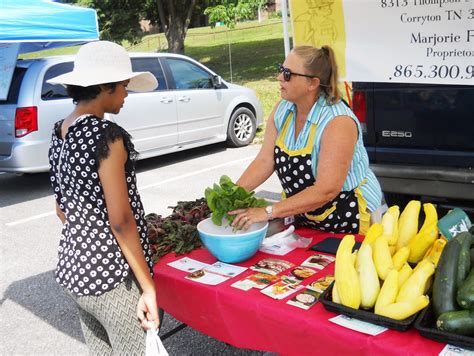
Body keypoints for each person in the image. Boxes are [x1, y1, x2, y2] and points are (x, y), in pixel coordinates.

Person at [47, 40, 160, 354]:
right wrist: (148, 287)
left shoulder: (61, 131)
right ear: (105, 87)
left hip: (75, 267)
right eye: (124, 86)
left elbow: (61, 209)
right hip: (110, 276)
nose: (126, 94)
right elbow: (121, 222)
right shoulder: (106, 136)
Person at [230, 45, 382, 235]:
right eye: (280, 69)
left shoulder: (337, 122)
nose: (279, 78)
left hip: (349, 215)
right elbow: (265, 160)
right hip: (303, 212)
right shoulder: (283, 110)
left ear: (313, 83)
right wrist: (230, 195)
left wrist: (268, 212)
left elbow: (326, 190)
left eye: (288, 74)